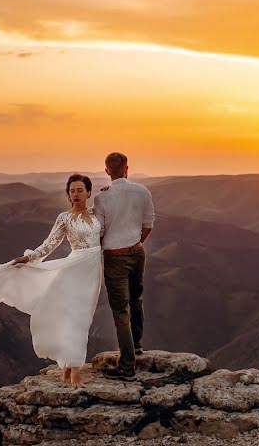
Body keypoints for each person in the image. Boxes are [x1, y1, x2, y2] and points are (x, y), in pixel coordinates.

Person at [0, 173, 102, 388]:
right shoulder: (64, 218)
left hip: (93, 272)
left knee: (84, 317)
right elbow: (49, 244)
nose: (75, 194)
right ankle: (75, 372)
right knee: (77, 318)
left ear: (89, 192)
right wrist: (28, 258)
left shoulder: (97, 214)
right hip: (73, 269)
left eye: (80, 190)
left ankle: (66, 368)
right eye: (72, 190)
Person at [93, 152, 155, 381]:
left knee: (120, 311)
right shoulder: (142, 191)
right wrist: (135, 243)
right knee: (136, 299)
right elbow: (148, 223)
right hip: (137, 251)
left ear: (107, 171)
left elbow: (98, 232)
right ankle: (136, 345)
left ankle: (127, 368)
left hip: (115, 257)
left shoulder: (102, 198)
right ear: (127, 168)